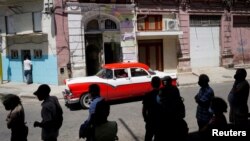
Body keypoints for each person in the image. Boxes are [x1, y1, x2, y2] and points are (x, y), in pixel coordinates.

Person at [155, 76, 188, 141]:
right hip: (175, 114)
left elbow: (159, 101)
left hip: (167, 114)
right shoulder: (175, 89)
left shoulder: (162, 90)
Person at [142, 76, 162, 141]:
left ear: (151, 84)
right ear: (160, 84)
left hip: (150, 121)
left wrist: (146, 119)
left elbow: (144, 110)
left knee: (148, 137)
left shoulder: (147, 95)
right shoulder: (163, 95)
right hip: (160, 121)